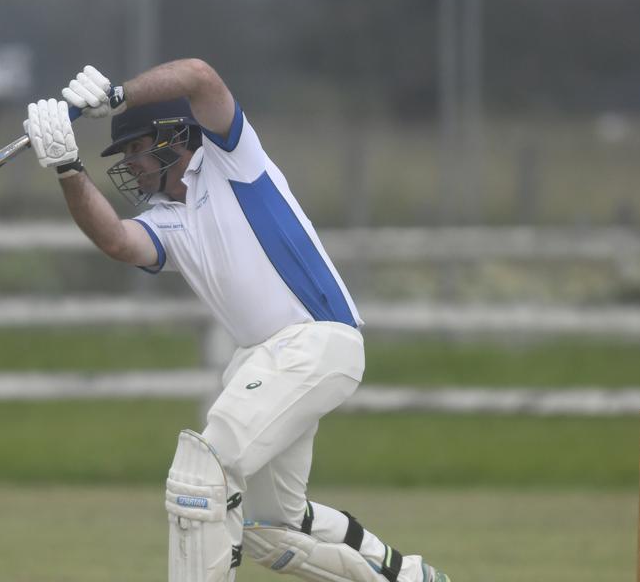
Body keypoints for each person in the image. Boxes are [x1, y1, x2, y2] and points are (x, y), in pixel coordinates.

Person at [23, 59, 450, 582]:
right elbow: (115, 240)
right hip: (268, 360)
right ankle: (401, 575)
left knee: (201, 471)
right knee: (268, 527)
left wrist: (119, 96)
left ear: (173, 136)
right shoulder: (165, 219)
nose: (130, 164)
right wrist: (69, 168)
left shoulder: (232, 158)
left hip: (318, 341)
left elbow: (200, 76)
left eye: (135, 148)